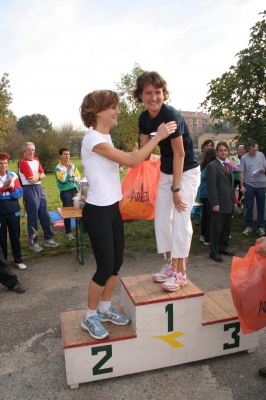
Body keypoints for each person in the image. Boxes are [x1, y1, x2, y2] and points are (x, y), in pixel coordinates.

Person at [80, 89, 175, 340]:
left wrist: (133, 157)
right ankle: (89, 316)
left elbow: (127, 160)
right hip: (98, 212)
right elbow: (133, 162)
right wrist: (158, 137)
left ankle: (104, 308)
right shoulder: (92, 138)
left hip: (112, 209)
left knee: (116, 263)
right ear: (98, 110)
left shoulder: (105, 138)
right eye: (113, 107)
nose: (118, 111)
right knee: (104, 267)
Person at [133, 71, 200, 292]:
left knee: (181, 217)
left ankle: (182, 272)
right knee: (162, 218)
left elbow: (180, 155)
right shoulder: (144, 118)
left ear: (164, 93)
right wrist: (141, 152)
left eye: (158, 92)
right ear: (140, 95)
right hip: (166, 170)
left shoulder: (170, 114)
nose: (154, 97)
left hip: (186, 172)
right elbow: (145, 151)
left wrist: (176, 188)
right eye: (148, 93)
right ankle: (172, 265)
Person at [19, 142, 60, 252]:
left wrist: (38, 176)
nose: (31, 152)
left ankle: (48, 238)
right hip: (29, 190)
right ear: (24, 152)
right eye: (29, 150)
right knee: (33, 217)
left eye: (33, 150)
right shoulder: (23, 163)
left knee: (45, 215)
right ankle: (33, 242)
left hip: (39, 189)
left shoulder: (36, 160)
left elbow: (43, 174)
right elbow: (31, 180)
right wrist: (39, 175)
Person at [206, 142, 237, 262]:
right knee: (216, 229)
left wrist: (234, 201)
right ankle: (213, 252)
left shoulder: (228, 166)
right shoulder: (212, 166)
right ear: (217, 152)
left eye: (225, 150)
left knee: (226, 228)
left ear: (228, 151)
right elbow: (211, 187)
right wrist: (215, 204)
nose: (223, 152)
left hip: (228, 203)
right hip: (218, 203)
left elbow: (231, 186)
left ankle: (223, 247)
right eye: (220, 150)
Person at [0, 152, 26, 270]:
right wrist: (2, 189)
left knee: (15, 236)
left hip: (13, 210)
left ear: (8, 164)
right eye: (0, 163)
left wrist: (11, 189)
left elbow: (19, 194)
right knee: (2, 239)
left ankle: (18, 260)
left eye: (5, 163)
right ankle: (4, 263)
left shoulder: (13, 176)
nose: (3, 166)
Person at [239, 140, 266, 236]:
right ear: (249, 149)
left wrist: (263, 170)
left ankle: (260, 227)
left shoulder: (261, 155)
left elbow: (265, 167)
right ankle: (248, 226)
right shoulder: (244, 158)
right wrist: (242, 186)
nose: (254, 152)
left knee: (261, 206)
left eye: (256, 150)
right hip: (249, 184)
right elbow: (241, 172)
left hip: (261, 184)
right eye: (253, 150)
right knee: (249, 206)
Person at [54, 148, 81, 240]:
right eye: (65, 154)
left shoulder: (73, 165)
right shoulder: (58, 168)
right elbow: (63, 180)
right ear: (60, 156)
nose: (67, 156)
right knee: (68, 212)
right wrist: (69, 171)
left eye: (68, 154)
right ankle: (68, 232)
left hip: (75, 190)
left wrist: (70, 177)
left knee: (80, 209)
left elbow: (78, 177)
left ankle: (83, 229)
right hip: (66, 192)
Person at [194, 140, 214, 226]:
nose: (208, 147)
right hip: (200, 181)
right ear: (203, 147)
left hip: (208, 184)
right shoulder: (199, 156)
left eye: (210, 145)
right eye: (207, 145)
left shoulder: (213, 158)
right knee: (199, 201)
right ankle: (196, 217)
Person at [199, 148, 217, 246]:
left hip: (203, 194)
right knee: (210, 216)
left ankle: (202, 235)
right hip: (208, 194)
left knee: (205, 216)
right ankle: (207, 238)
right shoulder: (210, 168)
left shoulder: (203, 167)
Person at [230, 145, 246, 213]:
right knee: (231, 191)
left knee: (241, 192)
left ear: (245, 150)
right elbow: (233, 167)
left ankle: (239, 205)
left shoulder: (246, 158)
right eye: (239, 149)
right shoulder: (233, 157)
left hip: (244, 178)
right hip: (235, 177)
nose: (240, 151)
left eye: (242, 149)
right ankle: (233, 204)